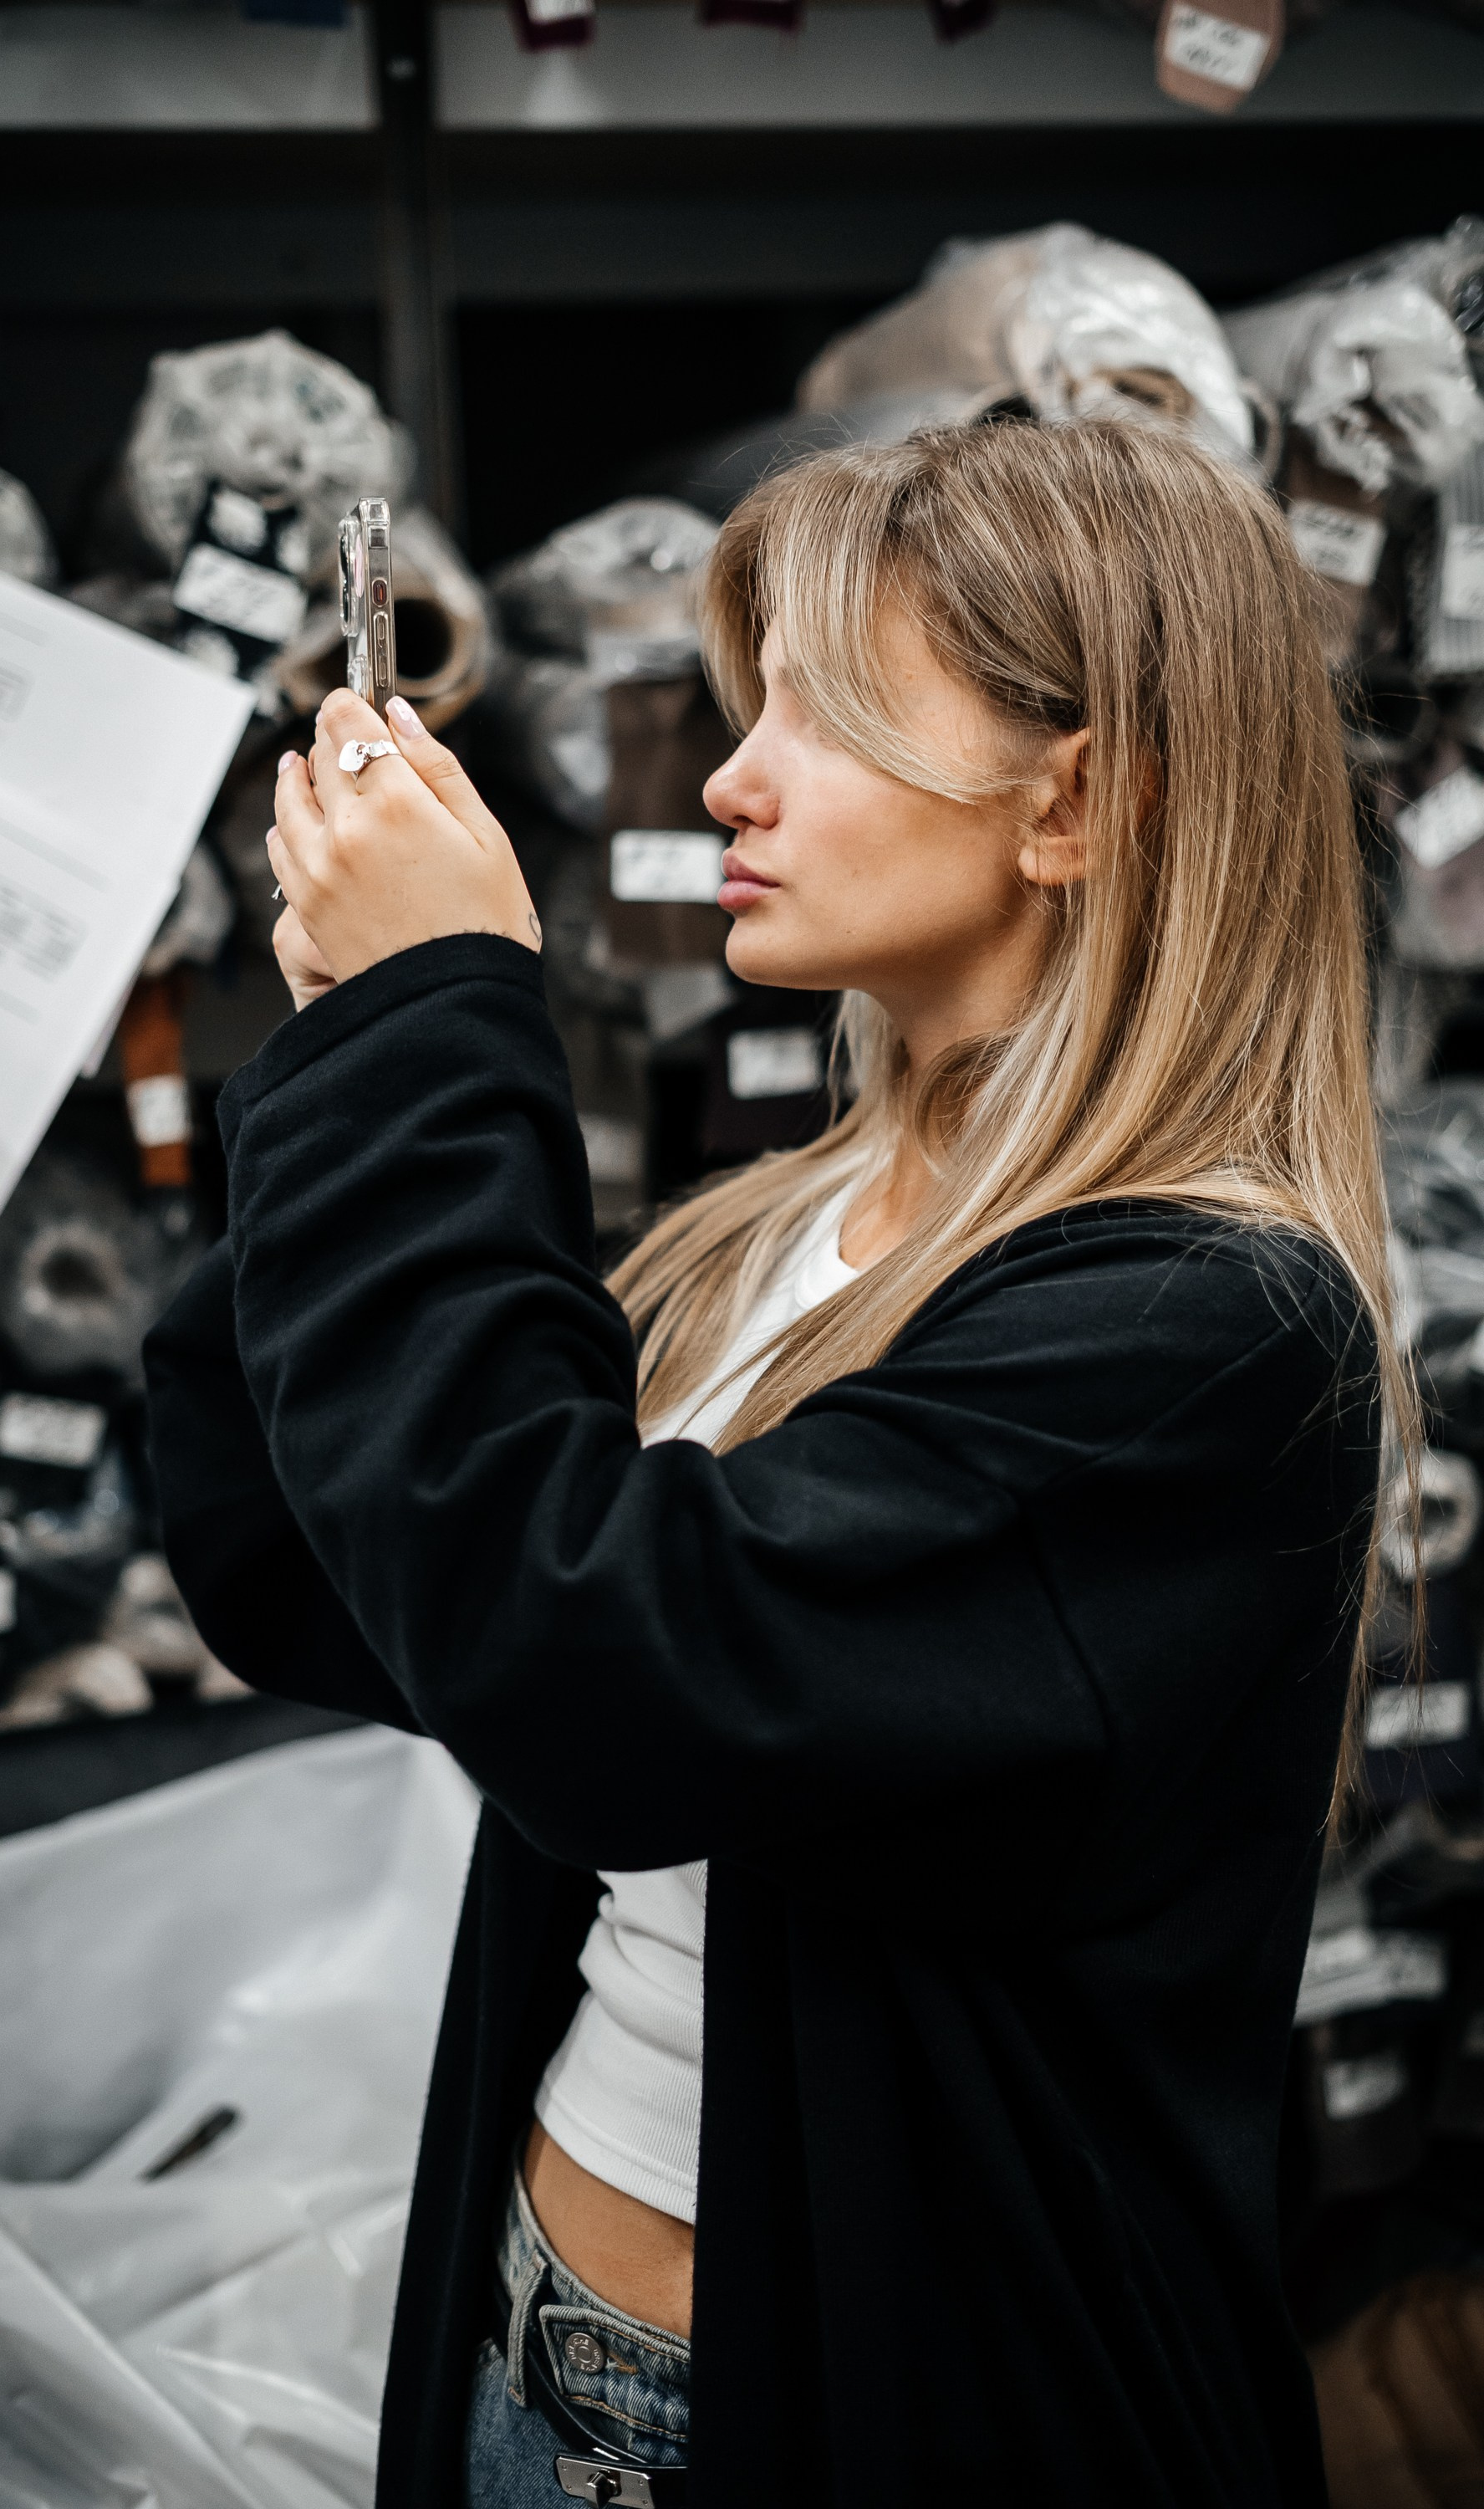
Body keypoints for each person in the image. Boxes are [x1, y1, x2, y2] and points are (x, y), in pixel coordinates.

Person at [145, 415, 1408, 2509]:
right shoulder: (771, 1231)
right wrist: (351, 1058)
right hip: (541, 2317)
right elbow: (320, 1556)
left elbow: (604, 1665)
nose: (730, 777)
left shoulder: (1205, 1330)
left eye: (820, 710)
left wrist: (447, 1029)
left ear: (1075, 799)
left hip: (849, 2414)